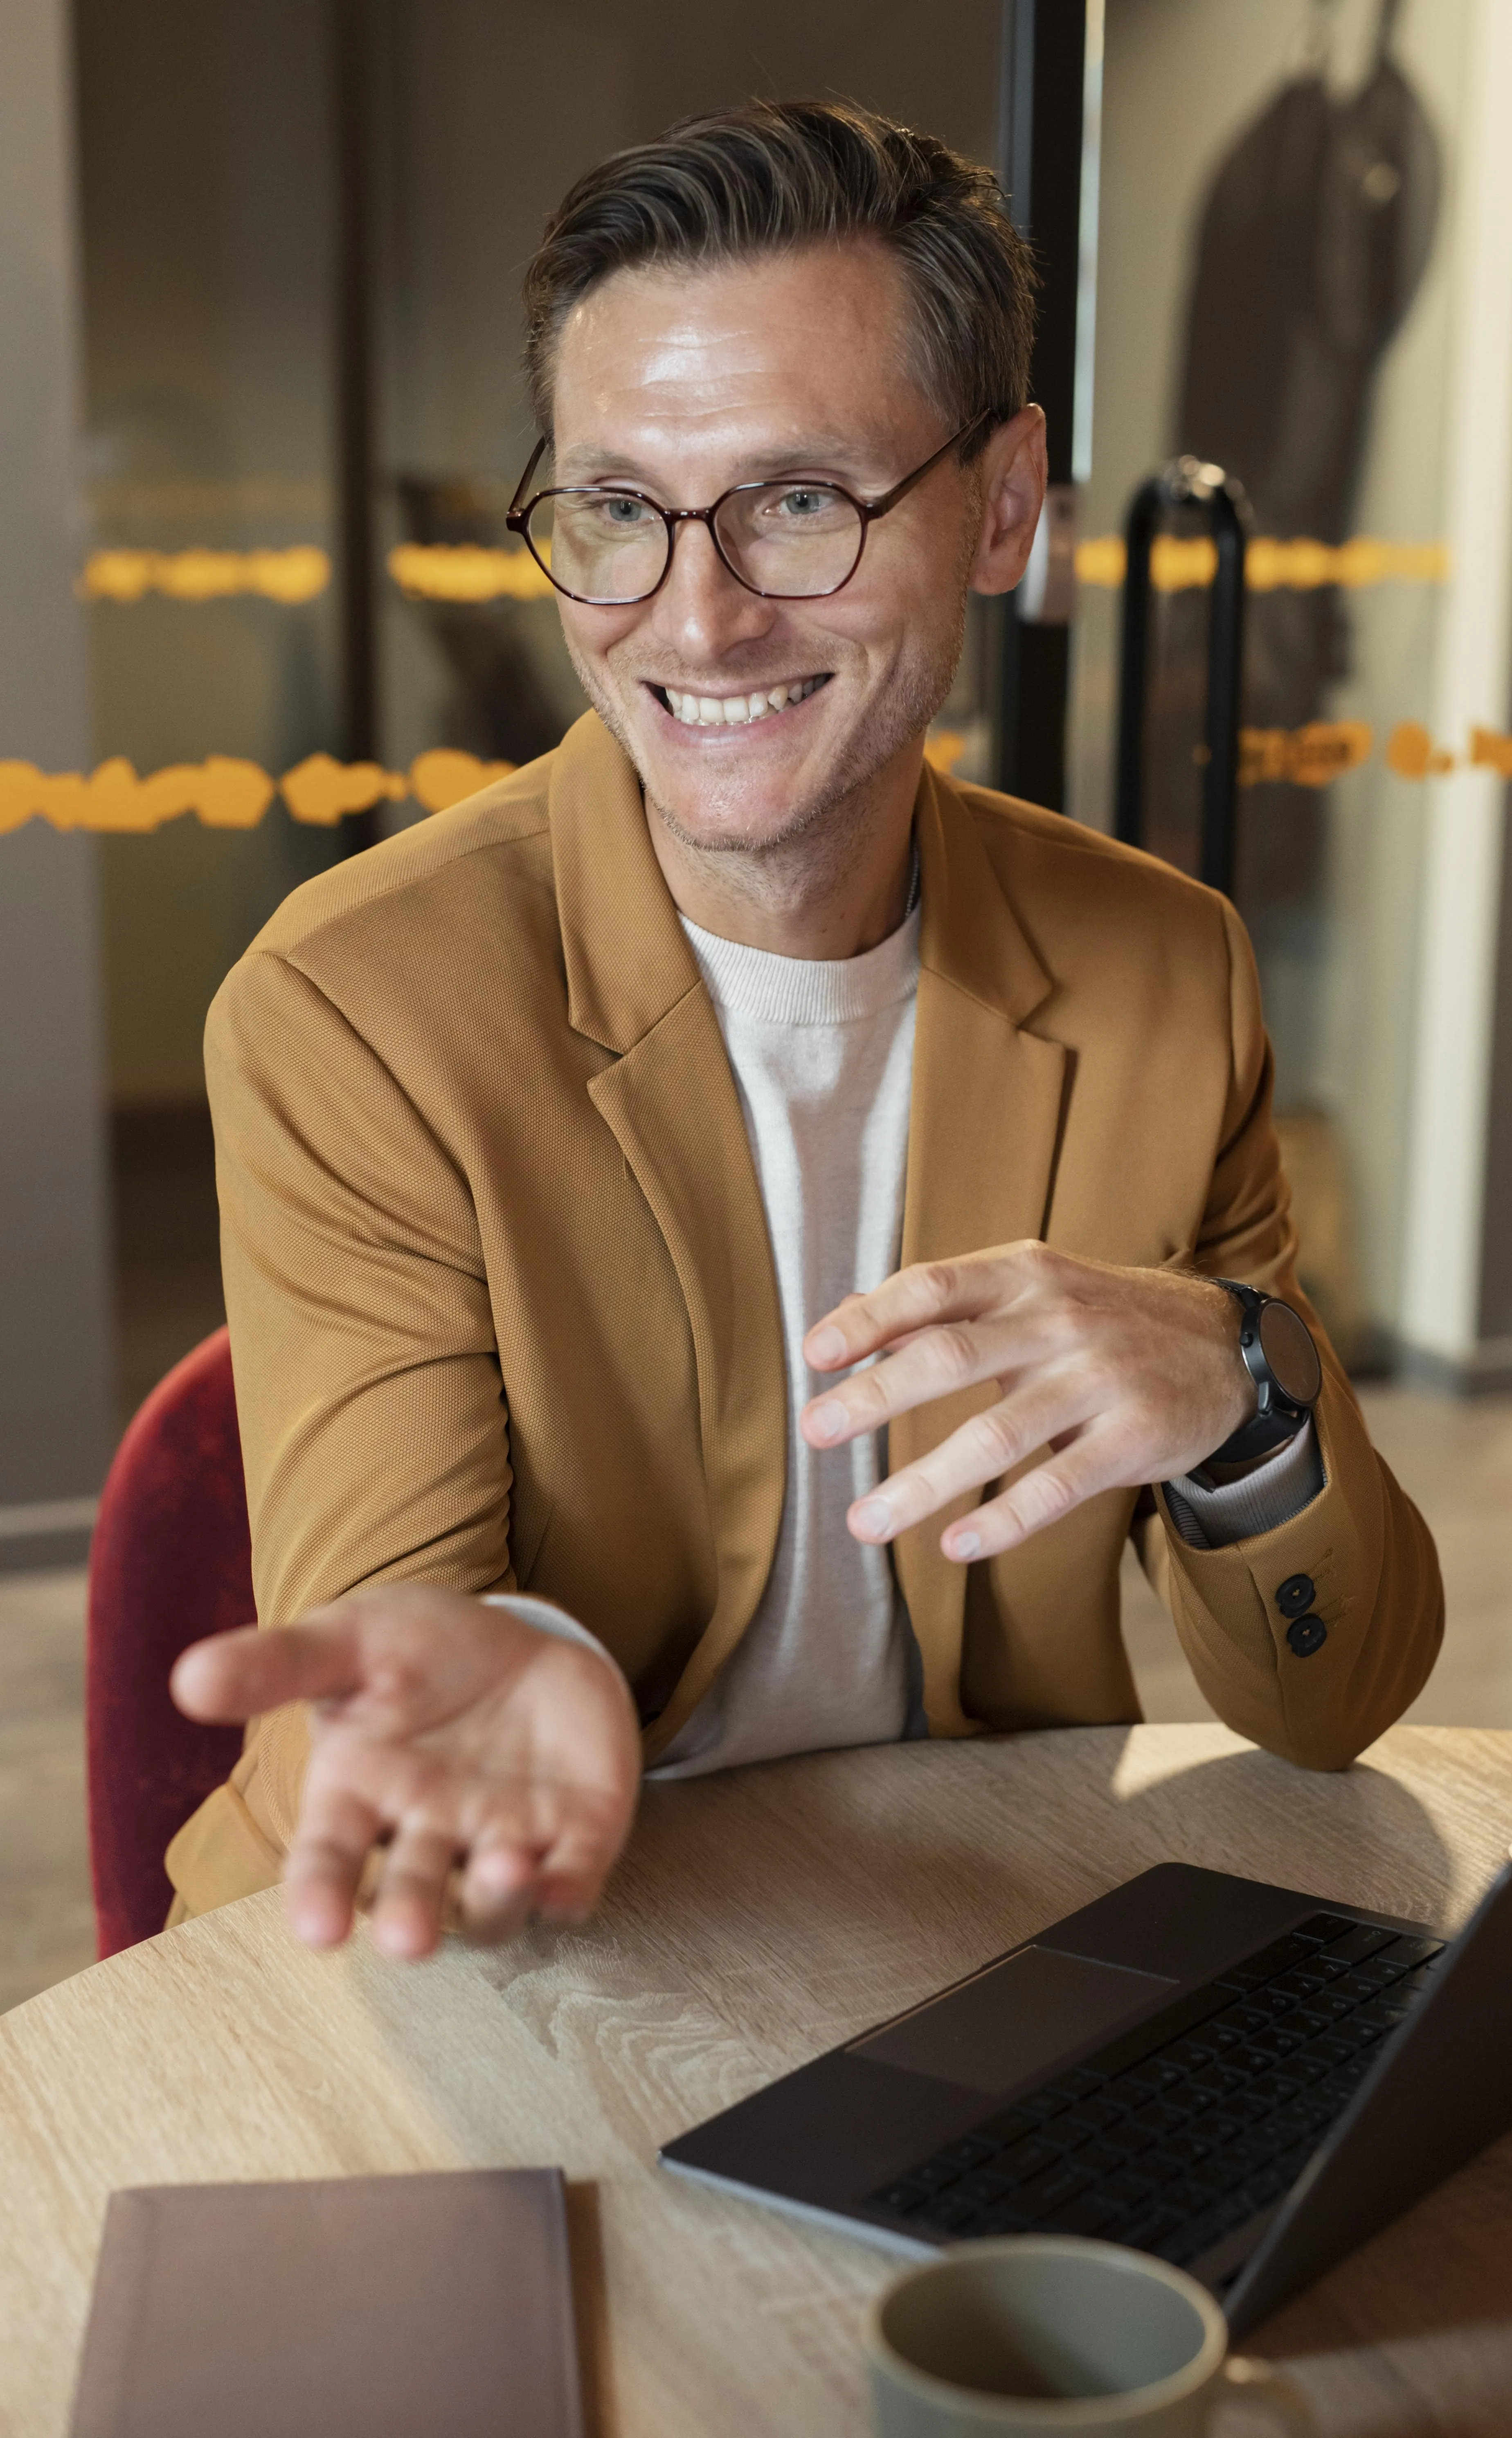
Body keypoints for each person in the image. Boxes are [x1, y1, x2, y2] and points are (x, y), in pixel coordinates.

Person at [166, 100, 1442, 1962]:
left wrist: (1244, 1391)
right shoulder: (355, 1007)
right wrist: (509, 1659)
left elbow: (1341, 1703)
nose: (694, 616)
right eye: (617, 508)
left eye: (797, 501)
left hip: (963, 1939)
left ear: (1004, 504)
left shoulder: (1168, 967)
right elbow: (393, 1635)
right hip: (448, 1946)